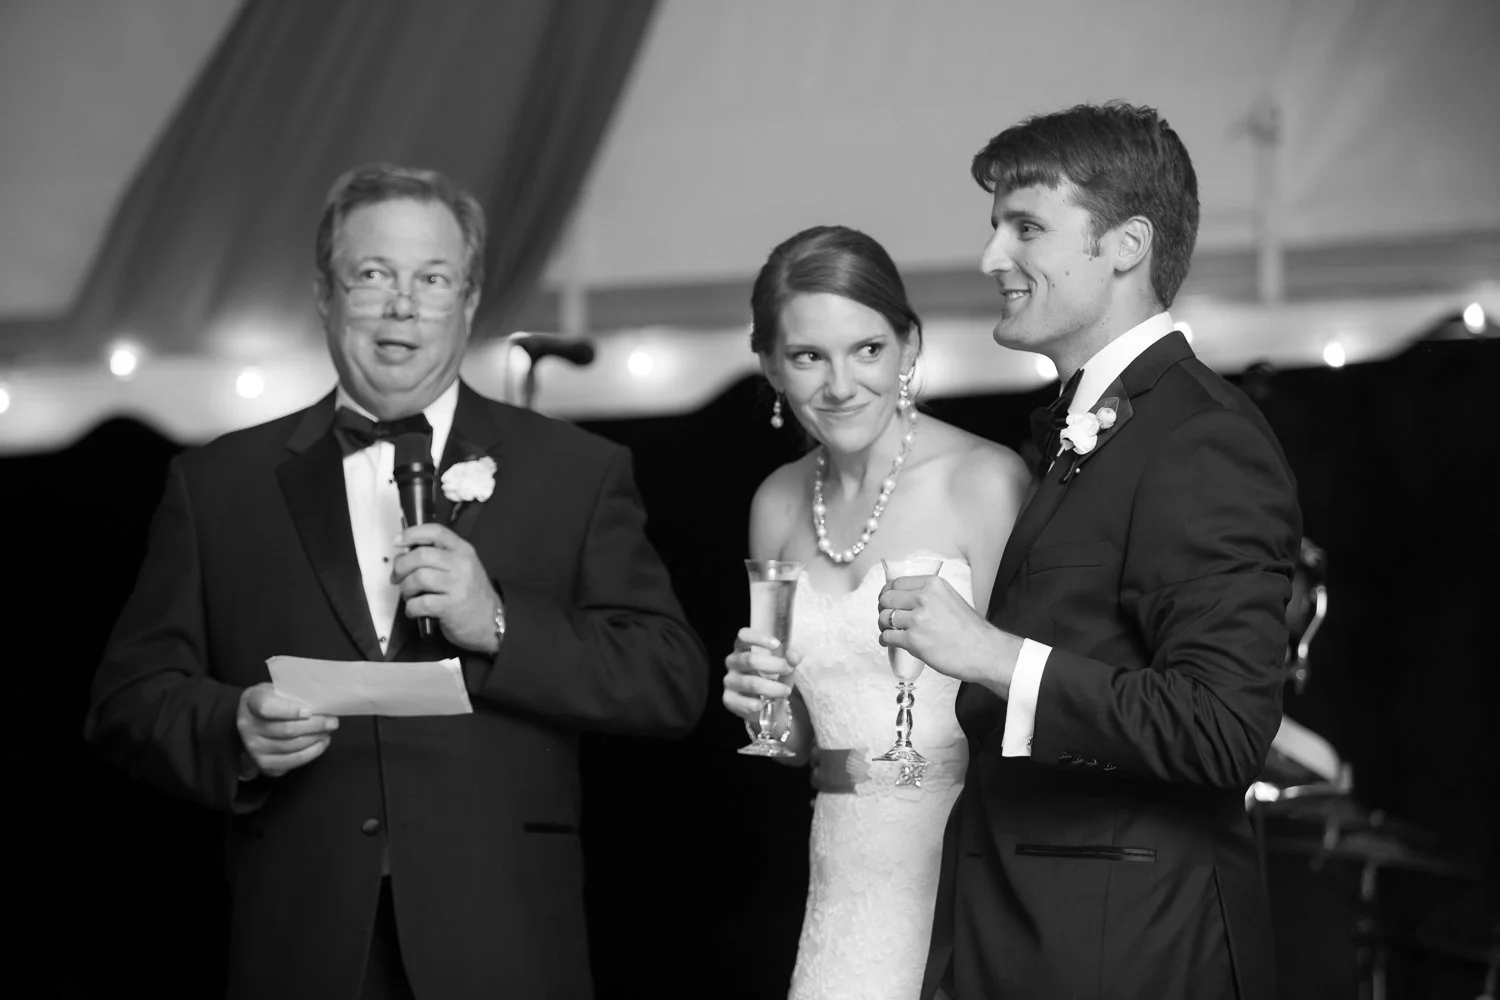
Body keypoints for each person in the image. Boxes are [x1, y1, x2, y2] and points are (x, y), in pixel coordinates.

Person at [84, 163, 708, 1000]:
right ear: (325, 294)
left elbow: (669, 678)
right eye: (372, 275)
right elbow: (127, 699)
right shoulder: (217, 485)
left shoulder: (576, 471)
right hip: (301, 945)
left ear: (471, 299)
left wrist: (498, 622)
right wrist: (231, 727)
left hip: (506, 939)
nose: (402, 305)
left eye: (433, 278)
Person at [875, 103, 1302, 1000]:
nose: (993, 258)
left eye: (1026, 226)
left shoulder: (1200, 439)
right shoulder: (1093, 430)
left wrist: (993, 657)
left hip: (1133, 956)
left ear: (1126, 244)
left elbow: (1224, 731)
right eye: (996, 228)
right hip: (1029, 941)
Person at [722, 225, 1030, 1000]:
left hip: (969, 870)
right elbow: (788, 740)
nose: (839, 384)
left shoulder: (984, 481)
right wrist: (758, 707)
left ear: (909, 346)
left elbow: (1030, 702)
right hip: (842, 879)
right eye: (807, 356)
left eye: (866, 349)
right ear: (769, 365)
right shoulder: (775, 504)